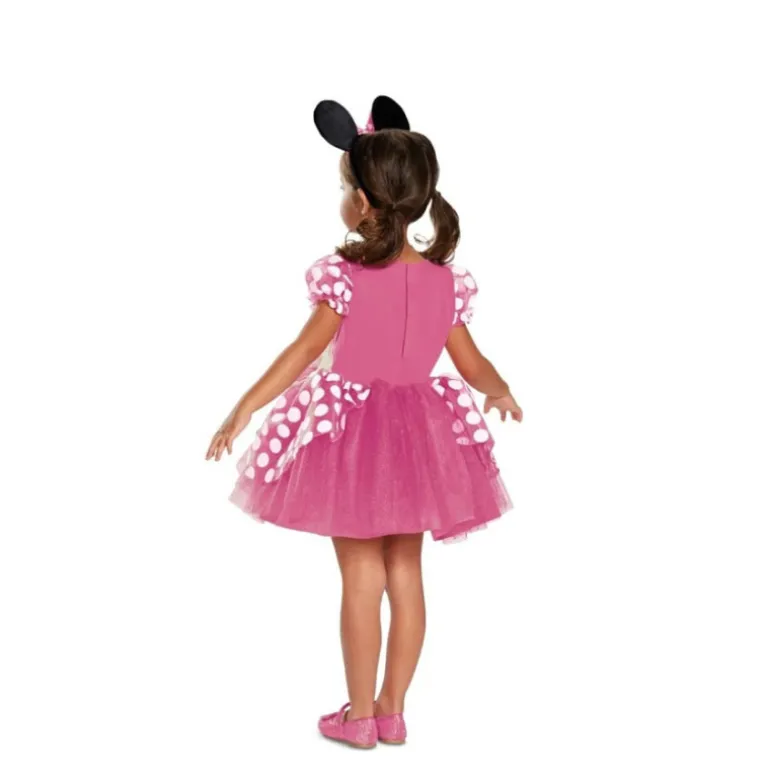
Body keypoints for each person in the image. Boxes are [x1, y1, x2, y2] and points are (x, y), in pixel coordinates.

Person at [206, 95, 523, 749]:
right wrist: (501, 390)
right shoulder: (445, 283)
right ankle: (392, 710)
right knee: (405, 571)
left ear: (362, 201)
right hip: (422, 436)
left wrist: (244, 407)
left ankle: (358, 719)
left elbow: (301, 354)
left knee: (360, 576)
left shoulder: (345, 278)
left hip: (349, 436)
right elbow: (471, 363)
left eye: (343, 189)